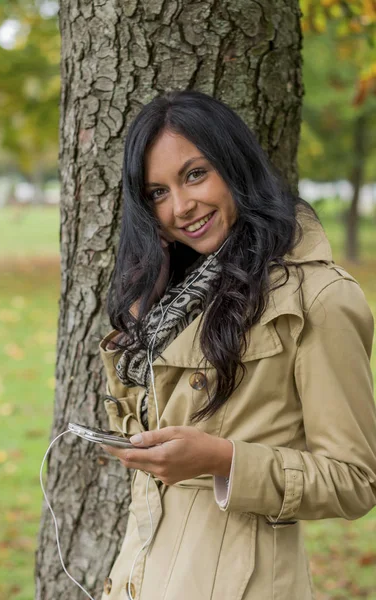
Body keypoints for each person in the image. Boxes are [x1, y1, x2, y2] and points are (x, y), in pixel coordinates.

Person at [98, 90, 376, 600]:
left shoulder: (320, 298)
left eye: (195, 174)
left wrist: (223, 461)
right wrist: (145, 306)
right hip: (144, 573)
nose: (181, 207)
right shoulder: (175, 295)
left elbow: (354, 480)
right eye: (157, 193)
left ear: (235, 165)